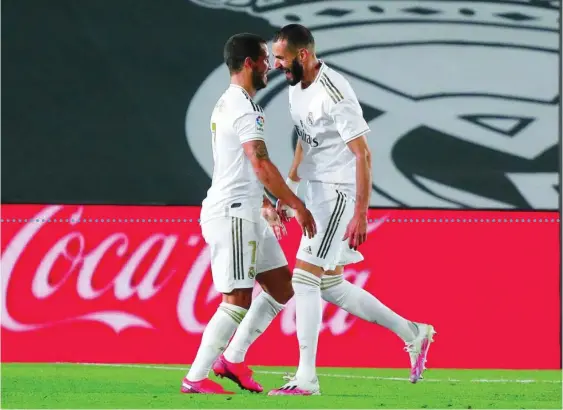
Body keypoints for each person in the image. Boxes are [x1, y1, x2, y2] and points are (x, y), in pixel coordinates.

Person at [265, 24, 436, 395]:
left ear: (303, 55)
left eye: (281, 58)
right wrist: (290, 190)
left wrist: (361, 213)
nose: (276, 64)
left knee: (303, 278)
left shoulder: (335, 92)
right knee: (330, 284)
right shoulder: (296, 88)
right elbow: (304, 141)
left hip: (339, 192)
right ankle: (412, 332)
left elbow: (363, 153)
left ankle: (307, 378)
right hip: (315, 190)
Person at [180, 32, 316, 395]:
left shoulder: (228, 103)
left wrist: (265, 204)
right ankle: (195, 378)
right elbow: (259, 162)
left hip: (248, 209)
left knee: (281, 286)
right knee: (237, 299)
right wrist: (296, 204)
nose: (270, 66)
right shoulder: (244, 108)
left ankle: (233, 358)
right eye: (263, 60)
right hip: (233, 214)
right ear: (248, 64)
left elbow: (235, 166)